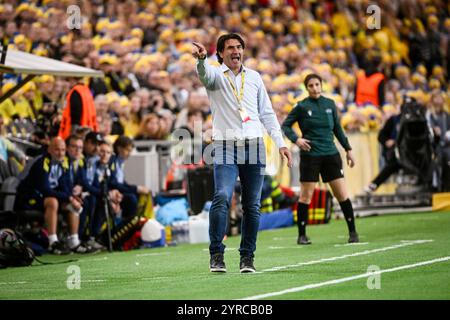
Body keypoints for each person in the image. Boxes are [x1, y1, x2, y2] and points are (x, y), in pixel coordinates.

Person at [192, 33, 292, 273]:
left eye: (239, 47)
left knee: (252, 205)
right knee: (222, 197)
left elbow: (267, 113)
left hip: (255, 146)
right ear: (221, 53)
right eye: (230, 48)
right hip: (225, 146)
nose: (235, 51)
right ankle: (216, 254)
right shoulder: (215, 75)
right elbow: (204, 75)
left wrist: (281, 143)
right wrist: (201, 60)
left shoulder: (255, 77)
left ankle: (247, 257)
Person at [282, 73, 359, 245]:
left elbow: (338, 129)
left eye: (317, 84)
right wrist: (297, 140)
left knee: (342, 194)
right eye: (311, 85)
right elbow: (285, 125)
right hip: (310, 156)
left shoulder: (330, 104)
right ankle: (302, 235)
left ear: (321, 85)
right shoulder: (301, 106)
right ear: (306, 88)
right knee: (306, 196)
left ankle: (353, 232)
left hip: (331, 154)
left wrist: (348, 149)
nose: (315, 88)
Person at [14, 137, 92, 254]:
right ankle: (53, 242)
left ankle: (74, 242)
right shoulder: (42, 162)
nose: (60, 153)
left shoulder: (63, 164)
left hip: (45, 198)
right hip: (29, 199)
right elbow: (45, 189)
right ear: (49, 150)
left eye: (63, 150)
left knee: (72, 204)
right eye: (57, 150)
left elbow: (65, 187)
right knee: (53, 201)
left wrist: (72, 199)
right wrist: (69, 197)